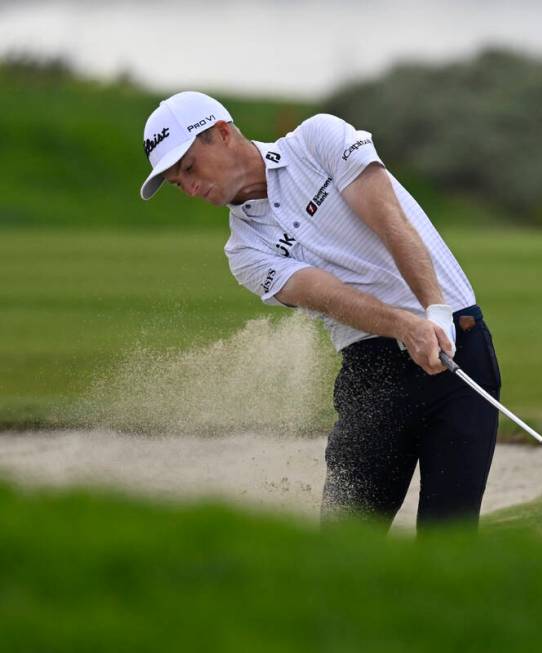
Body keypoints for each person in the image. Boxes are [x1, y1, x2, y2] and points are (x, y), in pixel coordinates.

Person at [139, 91, 500, 531]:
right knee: (346, 542)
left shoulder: (317, 139)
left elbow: (388, 218)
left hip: (458, 343)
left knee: (450, 539)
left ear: (222, 133)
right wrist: (407, 326)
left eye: (190, 168)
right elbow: (326, 295)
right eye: (179, 183)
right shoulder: (245, 251)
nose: (192, 188)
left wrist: (435, 311)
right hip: (373, 372)